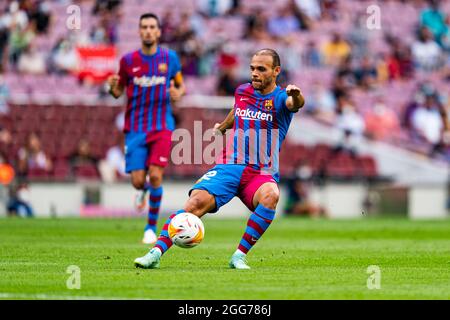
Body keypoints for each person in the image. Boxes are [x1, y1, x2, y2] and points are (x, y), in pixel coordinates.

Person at [134, 48, 305, 270]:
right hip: (230, 166)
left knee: (271, 195)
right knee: (195, 203)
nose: (254, 73)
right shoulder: (242, 91)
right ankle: (155, 253)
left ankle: (238, 256)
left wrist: (295, 93)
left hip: (261, 172)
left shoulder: (282, 98)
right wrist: (223, 128)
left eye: (261, 69)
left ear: (276, 71)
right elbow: (238, 110)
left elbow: (297, 104)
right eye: (252, 68)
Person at [107, 13, 185, 244]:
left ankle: (150, 229)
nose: (149, 31)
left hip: (162, 126)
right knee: (139, 181)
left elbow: (180, 86)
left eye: (152, 27)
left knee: (155, 175)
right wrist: (112, 88)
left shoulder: (170, 58)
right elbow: (117, 92)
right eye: (144, 27)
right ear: (139, 31)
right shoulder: (128, 61)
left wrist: (177, 93)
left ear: (159, 31)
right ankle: (142, 191)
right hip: (136, 128)